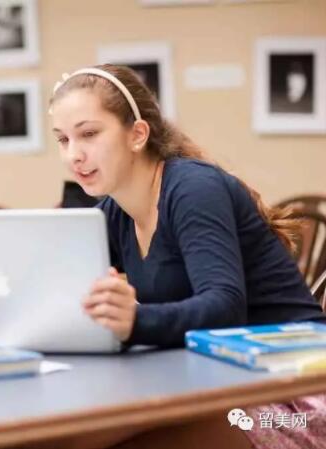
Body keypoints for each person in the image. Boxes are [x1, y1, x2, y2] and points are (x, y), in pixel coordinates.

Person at [49, 64, 325, 448]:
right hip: (221, 379)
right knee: (59, 436)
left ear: (137, 134)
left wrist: (135, 321)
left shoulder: (193, 188)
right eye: (63, 140)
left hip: (295, 394)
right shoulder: (114, 212)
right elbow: (60, 288)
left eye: (89, 134)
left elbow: (225, 307)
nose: (73, 155)